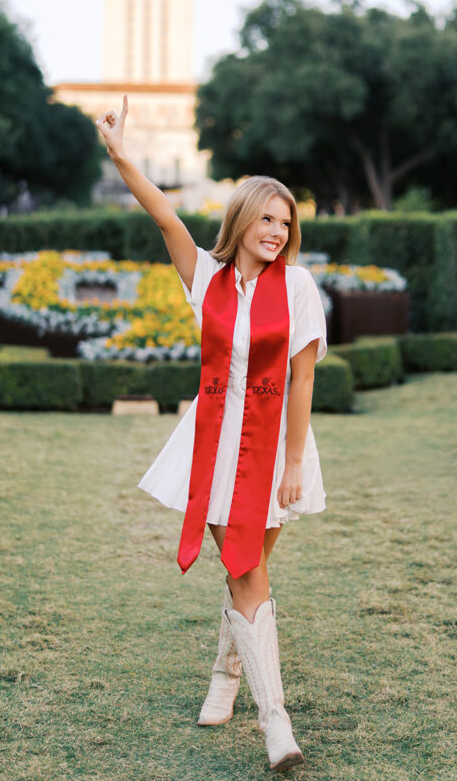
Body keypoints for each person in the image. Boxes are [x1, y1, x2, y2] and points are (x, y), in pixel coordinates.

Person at [96, 97, 328, 772]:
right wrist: (119, 156)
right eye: (266, 218)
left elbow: (303, 382)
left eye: (285, 223)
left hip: (277, 449)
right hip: (215, 445)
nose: (277, 231)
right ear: (242, 218)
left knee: (248, 573)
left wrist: (291, 464)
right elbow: (163, 213)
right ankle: (275, 723)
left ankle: (224, 676)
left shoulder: (301, 287)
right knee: (246, 572)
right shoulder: (208, 279)